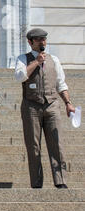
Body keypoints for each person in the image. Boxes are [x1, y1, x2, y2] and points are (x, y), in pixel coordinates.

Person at [14, 28, 75, 189]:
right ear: (30, 42)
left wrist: (68, 103)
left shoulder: (54, 59)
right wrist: (36, 62)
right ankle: (36, 183)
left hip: (52, 104)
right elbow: (20, 76)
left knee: (57, 143)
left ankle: (60, 180)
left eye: (44, 39)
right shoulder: (23, 58)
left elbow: (61, 84)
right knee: (33, 146)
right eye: (39, 39)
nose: (42, 42)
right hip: (31, 105)